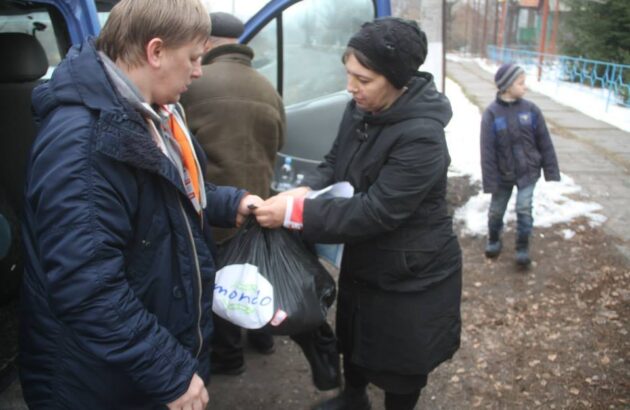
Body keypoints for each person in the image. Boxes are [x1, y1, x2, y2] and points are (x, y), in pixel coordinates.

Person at [18, 1, 262, 408]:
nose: (199, 71)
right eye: (194, 58)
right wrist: (167, 371)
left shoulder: (153, 114)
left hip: (135, 365)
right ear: (156, 52)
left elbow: (171, 194)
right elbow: (88, 287)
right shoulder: (85, 144)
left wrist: (235, 203)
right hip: (98, 383)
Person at [254, 17, 462, 410]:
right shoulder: (361, 109)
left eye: (363, 79)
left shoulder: (423, 136)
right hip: (366, 258)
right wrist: (307, 188)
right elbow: (334, 161)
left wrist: (296, 212)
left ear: (397, 79)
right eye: (349, 75)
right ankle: (353, 400)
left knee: (401, 360)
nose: (352, 87)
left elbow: (377, 212)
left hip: (411, 270)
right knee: (356, 336)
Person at [180, 11, 285, 376]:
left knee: (222, 282)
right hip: (260, 204)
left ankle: (229, 358)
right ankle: (264, 338)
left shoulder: (192, 84)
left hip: (216, 206)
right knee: (256, 273)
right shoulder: (266, 87)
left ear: (205, 43)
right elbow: (280, 141)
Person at [480, 63, 560, 267]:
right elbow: (487, 151)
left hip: (528, 172)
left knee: (524, 208)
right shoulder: (491, 114)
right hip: (502, 175)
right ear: (506, 86)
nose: (525, 87)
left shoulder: (531, 110)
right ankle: (494, 239)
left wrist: (550, 170)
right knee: (497, 210)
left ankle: (522, 247)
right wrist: (490, 181)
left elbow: (544, 141)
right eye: (521, 83)